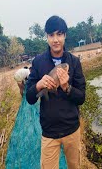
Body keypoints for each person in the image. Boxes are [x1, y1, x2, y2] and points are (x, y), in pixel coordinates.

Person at [26, 15, 86, 169]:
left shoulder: (74, 62)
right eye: (51, 35)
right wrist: (39, 85)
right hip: (49, 132)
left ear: (65, 35)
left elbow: (81, 98)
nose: (55, 39)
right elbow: (30, 98)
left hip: (72, 129)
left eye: (59, 34)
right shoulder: (38, 62)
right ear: (46, 37)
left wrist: (67, 87)